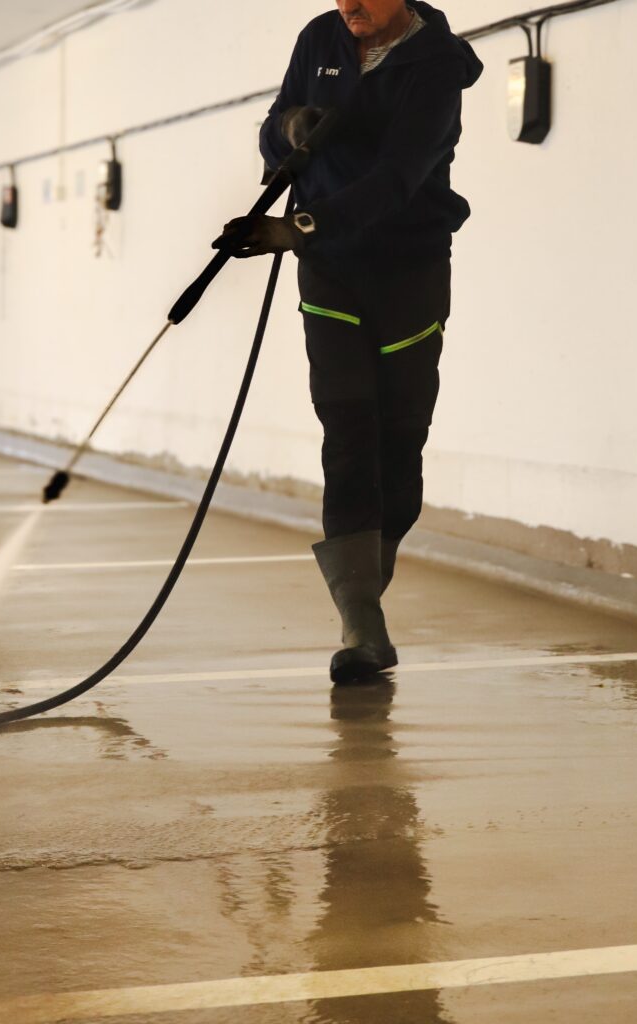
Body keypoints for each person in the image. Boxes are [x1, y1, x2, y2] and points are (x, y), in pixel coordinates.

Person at [213, 0, 482, 684]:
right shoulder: (320, 37)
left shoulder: (436, 68)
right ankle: (361, 618)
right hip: (330, 271)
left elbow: (398, 179)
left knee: (398, 436)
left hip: (407, 271)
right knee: (346, 423)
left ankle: (368, 592)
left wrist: (299, 227)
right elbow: (276, 134)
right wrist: (288, 129)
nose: (351, 4)